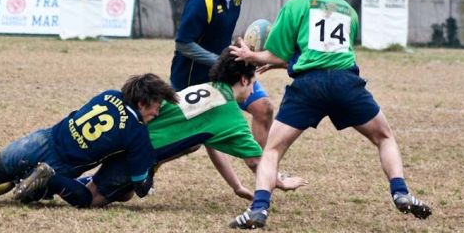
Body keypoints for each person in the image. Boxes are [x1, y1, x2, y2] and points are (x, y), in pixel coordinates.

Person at [227, 0, 432, 229]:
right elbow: (327, 52)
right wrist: (279, 62)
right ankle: (400, 191)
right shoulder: (349, 12)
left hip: (308, 86)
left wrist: (253, 57)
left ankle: (259, 209)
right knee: (384, 137)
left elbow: (280, 54)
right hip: (345, 82)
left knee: (272, 150)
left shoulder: (296, 5)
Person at [17, 49, 308, 208]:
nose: (254, 89)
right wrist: (280, 181)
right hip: (139, 153)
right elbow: (257, 161)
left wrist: (236, 187)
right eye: (254, 83)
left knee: (125, 194)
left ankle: (46, 185)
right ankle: (51, 179)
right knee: (92, 198)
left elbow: (208, 143)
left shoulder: (206, 88)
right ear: (244, 81)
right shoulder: (230, 116)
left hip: (127, 137)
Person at [0, 73, 178, 210]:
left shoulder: (108, 94)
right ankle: (46, 180)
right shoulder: (137, 134)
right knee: (87, 199)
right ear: (142, 103)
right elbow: (140, 187)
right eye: (156, 107)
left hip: (42, 138)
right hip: (60, 165)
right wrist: (154, 167)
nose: (157, 113)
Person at [169, 0, 275, 149]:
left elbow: (221, 32)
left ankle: (264, 171)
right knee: (189, 144)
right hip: (191, 77)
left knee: (264, 108)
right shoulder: (201, 3)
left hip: (225, 70)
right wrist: (218, 59)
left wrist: (241, 49)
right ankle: (141, 173)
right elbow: (183, 43)